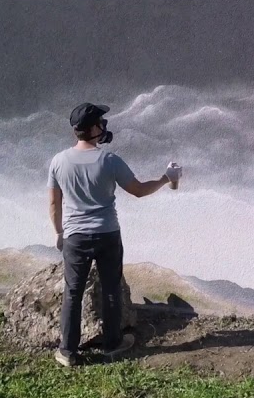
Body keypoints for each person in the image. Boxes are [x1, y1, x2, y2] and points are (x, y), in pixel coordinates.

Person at [47, 101, 182, 367]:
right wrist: (166, 179)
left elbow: (54, 203)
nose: (104, 126)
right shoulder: (109, 160)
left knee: (73, 292)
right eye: (101, 122)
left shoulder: (58, 161)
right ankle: (112, 344)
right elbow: (139, 190)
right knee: (111, 289)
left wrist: (59, 232)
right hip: (107, 233)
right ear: (93, 128)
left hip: (75, 237)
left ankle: (67, 351)